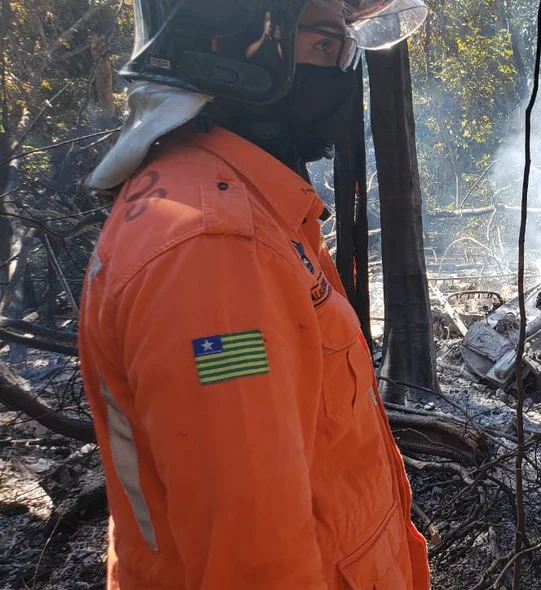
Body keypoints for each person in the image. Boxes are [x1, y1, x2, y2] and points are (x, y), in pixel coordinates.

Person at [78, 1, 432, 588]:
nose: (343, 72)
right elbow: (254, 562)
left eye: (347, 49)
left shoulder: (243, 212)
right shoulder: (215, 251)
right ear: (228, 39)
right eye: (324, 45)